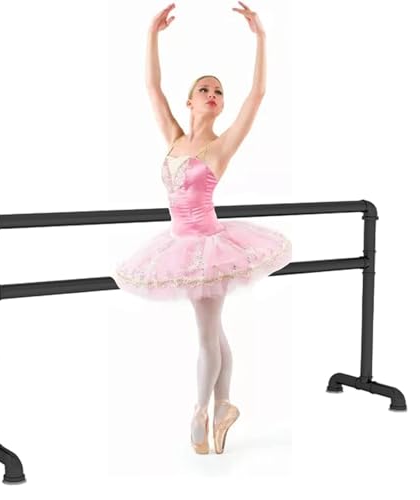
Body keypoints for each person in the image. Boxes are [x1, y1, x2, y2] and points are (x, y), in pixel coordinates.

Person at [112, 2, 292, 454]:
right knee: (213, 332)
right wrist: (151, 34)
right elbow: (152, 87)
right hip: (178, 245)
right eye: (204, 89)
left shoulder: (220, 146)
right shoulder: (174, 138)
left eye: (219, 92)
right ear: (190, 101)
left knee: (207, 335)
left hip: (209, 248)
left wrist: (261, 37)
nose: (213, 94)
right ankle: (223, 406)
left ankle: (199, 412)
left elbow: (257, 96)